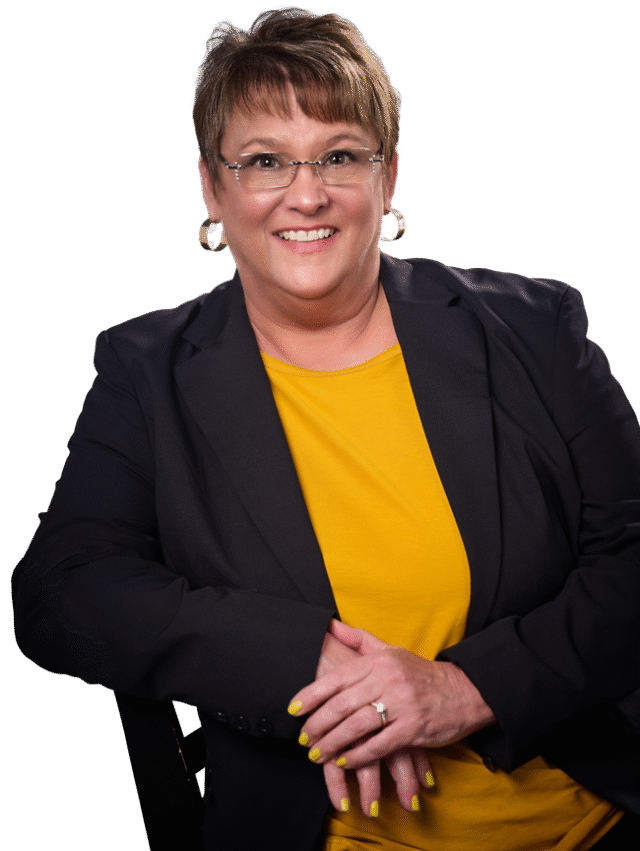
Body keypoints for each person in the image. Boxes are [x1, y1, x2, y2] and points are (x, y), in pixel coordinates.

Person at [11, 6, 640, 849]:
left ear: (387, 176)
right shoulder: (146, 371)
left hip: (593, 820)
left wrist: (466, 689)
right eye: (264, 160)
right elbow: (61, 593)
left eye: (340, 155)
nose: (306, 194)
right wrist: (302, 658)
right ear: (213, 186)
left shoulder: (531, 328)